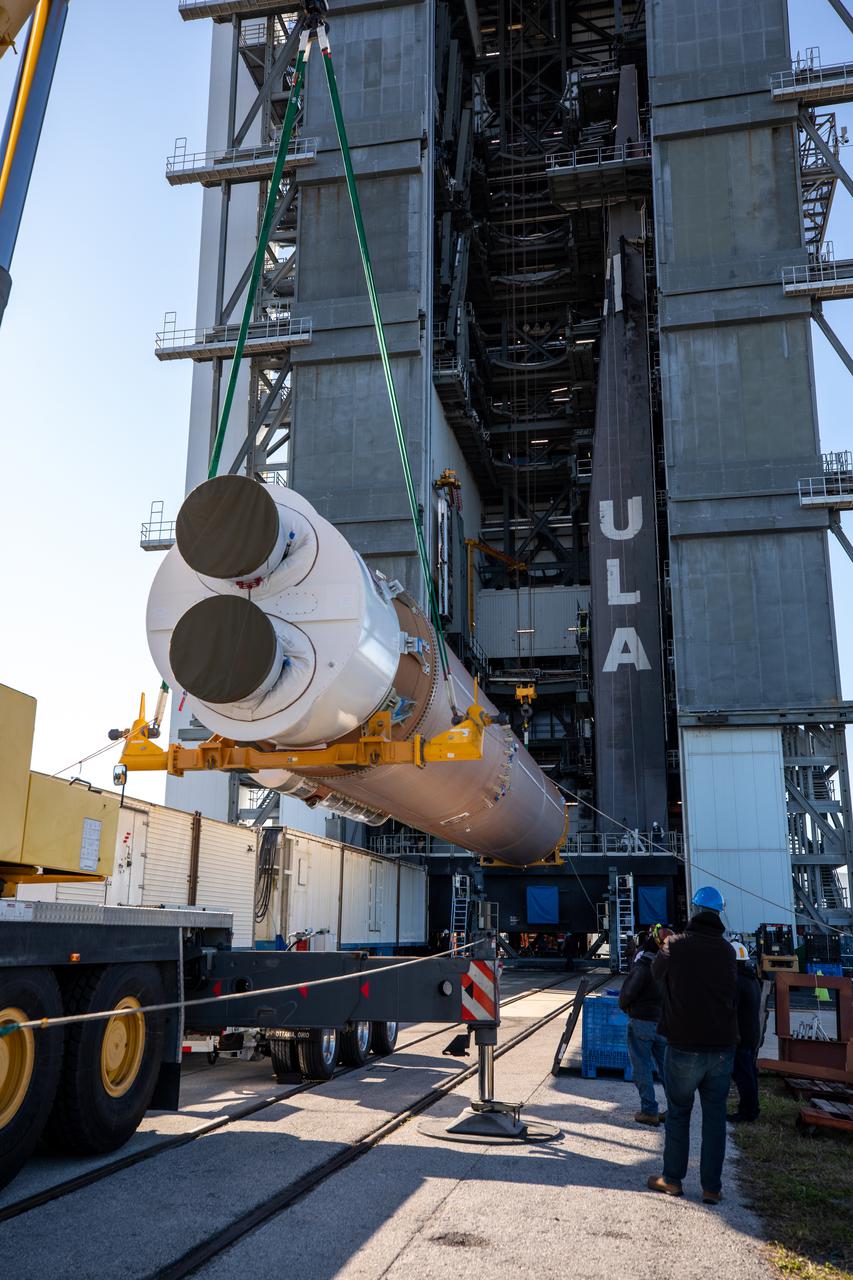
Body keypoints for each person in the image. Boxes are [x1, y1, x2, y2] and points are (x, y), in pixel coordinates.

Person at [646, 886, 738, 1205]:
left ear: (694, 911)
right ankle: (712, 1187)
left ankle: (672, 1179)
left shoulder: (676, 944)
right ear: (719, 913)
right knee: (714, 1118)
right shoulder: (728, 951)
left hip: (684, 1045)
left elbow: (656, 975)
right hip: (722, 1049)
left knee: (679, 1113)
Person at [619, 922, 673, 1124]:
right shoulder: (669, 968)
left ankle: (649, 1110)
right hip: (662, 1023)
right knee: (666, 1067)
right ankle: (675, 1109)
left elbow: (628, 993)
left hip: (641, 1021)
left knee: (641, 1065)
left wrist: (625, 1006)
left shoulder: (643, 966)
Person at [729, 943, 761, 1123]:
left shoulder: (736, 982)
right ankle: (751, 1108)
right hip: (751, 1034)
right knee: (749, 1074)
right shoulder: (752, 979)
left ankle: (747, 1112)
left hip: (741, 1035)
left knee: (744, 1076)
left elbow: (731, 1008)